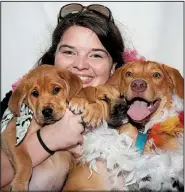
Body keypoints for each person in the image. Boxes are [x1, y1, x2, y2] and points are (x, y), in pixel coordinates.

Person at [1, 3, 126, 191]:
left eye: (96, 55)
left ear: (114, 67)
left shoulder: (134, 110)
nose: (80, 65)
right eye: (68, 52)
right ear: (54, 57)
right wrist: (50, 139)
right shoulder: (22, 101)